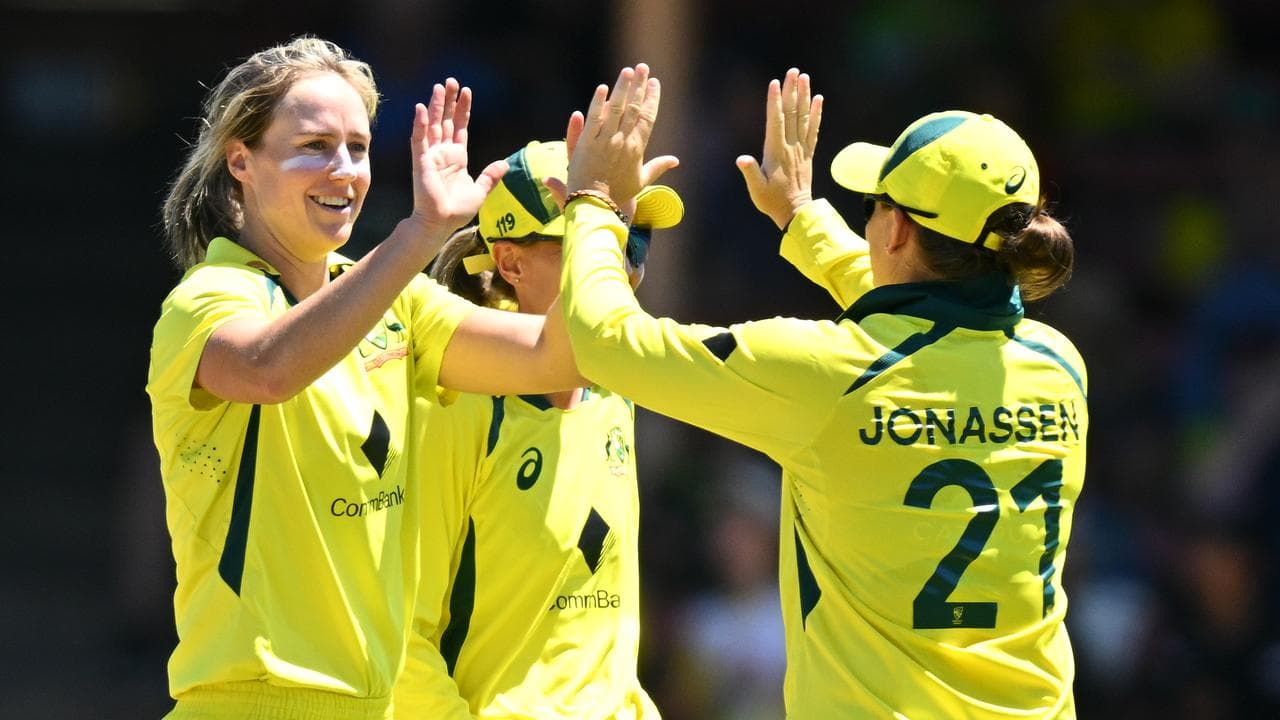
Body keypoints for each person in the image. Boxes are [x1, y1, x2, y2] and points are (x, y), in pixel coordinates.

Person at [556, 65, 1087, 717]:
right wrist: (801, 217)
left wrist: (594, 204)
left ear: (894, 230)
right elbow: (919, 316)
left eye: (875, 207)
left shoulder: (828, 374)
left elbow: (603, 340)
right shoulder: (1060, 367)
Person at [146, 37, 582, 719]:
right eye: (314, 146)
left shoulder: (394, 300)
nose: (344, 170)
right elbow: (269, 369)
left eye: (357, 146)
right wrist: (422, 232)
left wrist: (599, 219)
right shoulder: (207, 299)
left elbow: (558, 358)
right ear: (241, 162)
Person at [393, 139, 682, 719]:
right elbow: (400, 636)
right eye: (588, 238)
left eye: (632, 239)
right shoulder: (457, 402)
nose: (622, 265)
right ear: (510, 264)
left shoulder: (613, 384)